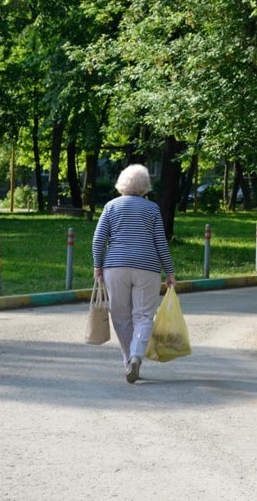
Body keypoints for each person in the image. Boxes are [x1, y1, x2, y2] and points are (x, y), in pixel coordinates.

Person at [92, 164, 176, 383]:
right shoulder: (152, 209)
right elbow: (161, 243)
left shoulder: (111, 206)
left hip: (115, 267)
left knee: (120, 315)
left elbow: (99, 239)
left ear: (121, 184)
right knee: (143, 315)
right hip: (147, 268)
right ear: (144, 187)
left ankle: (128, 359)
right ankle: (137, 355)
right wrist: (170, 271)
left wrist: (97, 265)